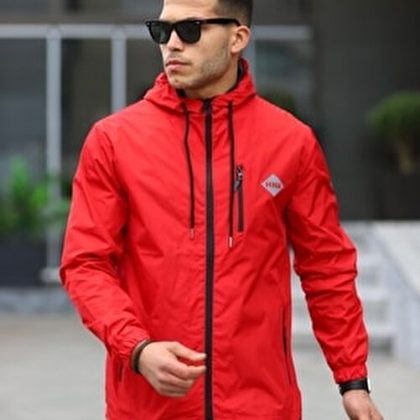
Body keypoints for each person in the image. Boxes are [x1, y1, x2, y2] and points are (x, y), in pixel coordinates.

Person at [60, 0, 384, 419]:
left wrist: (352, 380)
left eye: (190, 29)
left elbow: (326, 266)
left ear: (238, 38)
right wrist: (137, 348)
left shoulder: (291, 142)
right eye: (162, 30)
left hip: (262, 406)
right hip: (149, 408)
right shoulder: (113, 141)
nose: (172, 44)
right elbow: (85, 263)